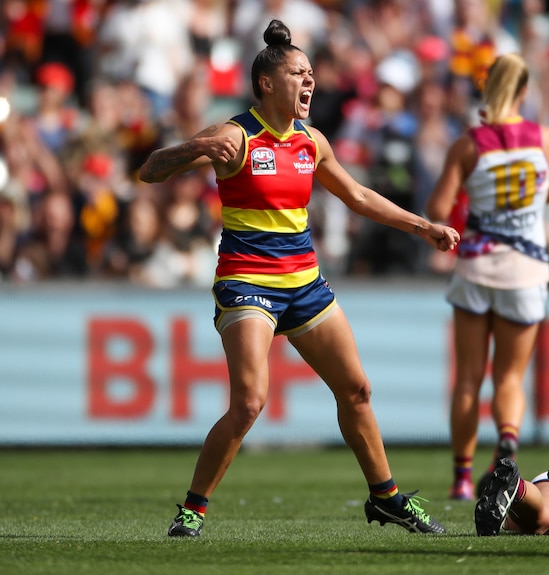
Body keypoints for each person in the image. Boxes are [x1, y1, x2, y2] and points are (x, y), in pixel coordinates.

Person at [138, 19, 459, 537]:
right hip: (248, 282)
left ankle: (387, 498)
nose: (309, 82)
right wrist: (187, 151)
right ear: (267, 83)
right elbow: (149, 171)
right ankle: (192, 510)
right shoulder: (234, 135)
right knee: (248, 403)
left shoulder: (312, 141)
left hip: (305, 283)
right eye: (298, 74)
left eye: (311, 74)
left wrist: (423, 226)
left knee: (356, 390)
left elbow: (357, 197)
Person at [424, 52, 549, 501]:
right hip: (526, 270)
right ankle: (507, 442)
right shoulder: (546, 140)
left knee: (468, 378)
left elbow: (437, 211)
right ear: (524, 92)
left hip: (477, 265)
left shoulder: (469, 143)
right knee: (510, 379)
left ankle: (462, 478)